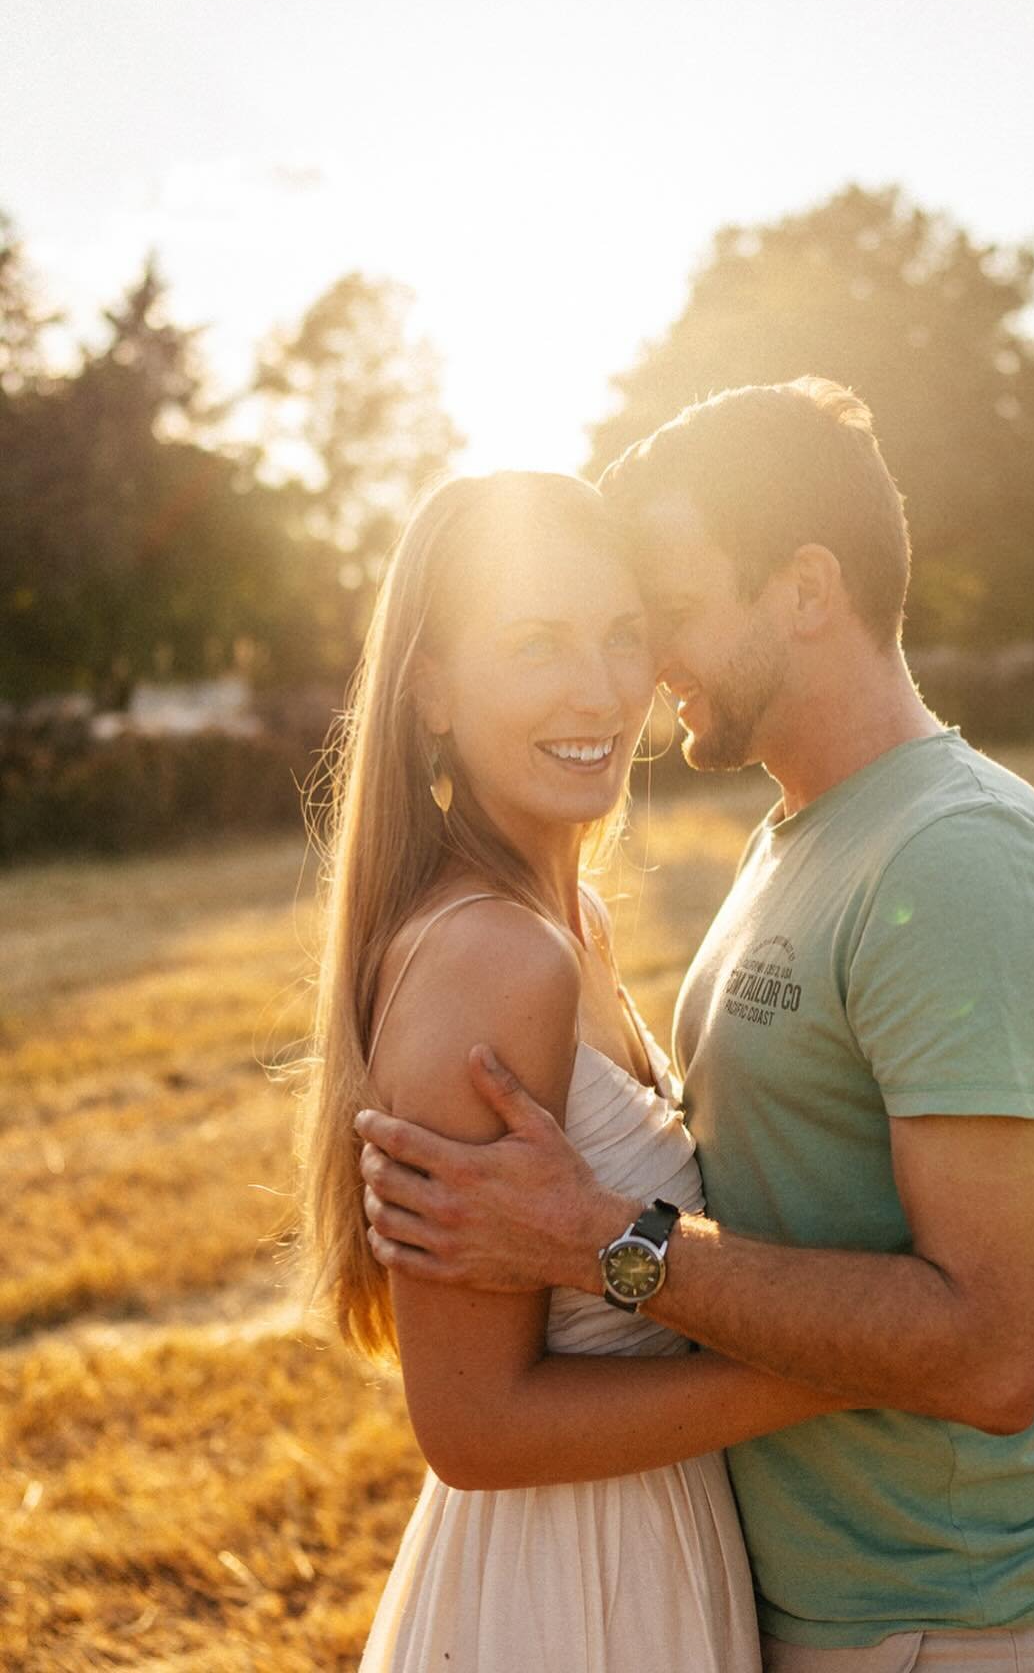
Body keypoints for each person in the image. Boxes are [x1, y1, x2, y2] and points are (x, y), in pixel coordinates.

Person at [356, 380, 1034, 1670]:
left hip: (963, 1621)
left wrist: (600, 1238)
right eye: (556, 637)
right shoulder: (800, 842)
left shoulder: (957, 858)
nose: (639, 671)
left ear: (803, 590)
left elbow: (997, 1355)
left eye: (658, 617)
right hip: (798, 1603)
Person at [296, 469, 884, 1673]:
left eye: (623, 635)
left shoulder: (571, 928)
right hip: (569, 1590)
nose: (601, 688)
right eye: (536, 644)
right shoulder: (493, 956)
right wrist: (836, 1367)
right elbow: (474, 1427)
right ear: (433, 691)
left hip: (652, 1541)